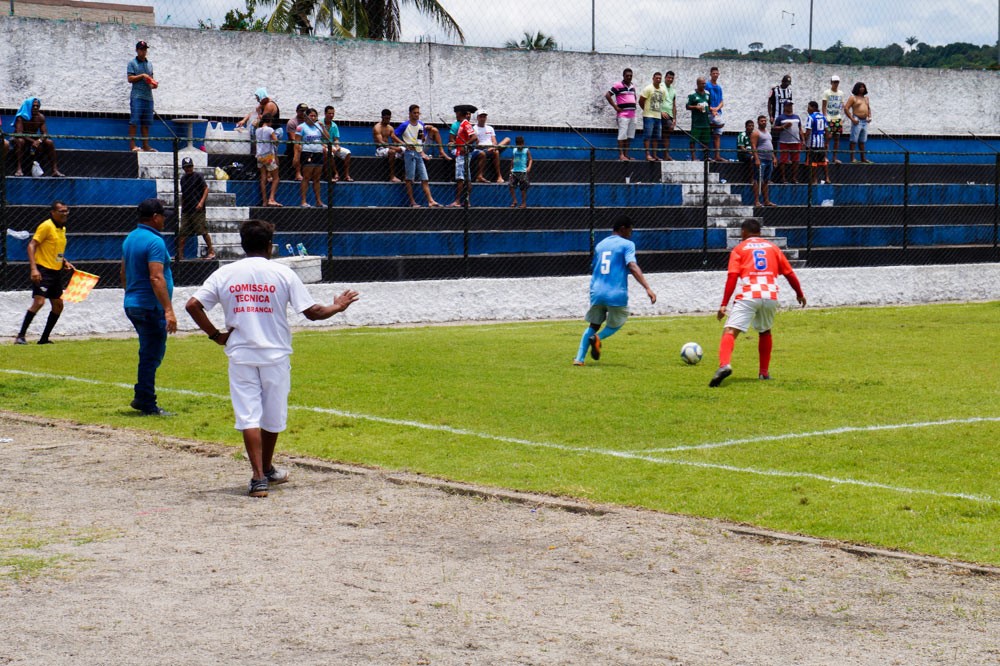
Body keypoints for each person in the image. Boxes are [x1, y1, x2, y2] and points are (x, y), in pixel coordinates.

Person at [185, 219, 359, 498]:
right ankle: (264, 470)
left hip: (241, 354)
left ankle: (259, 477)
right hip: (275, 354)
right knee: (273, 416)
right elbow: (312, 312)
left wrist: (216, 335)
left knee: (248, 415)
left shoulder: (225, 273)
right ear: (269, 245)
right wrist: (337, 306)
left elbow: (193, 305)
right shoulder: (283, 273)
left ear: (242, 245)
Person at [710, 218, 806, 387]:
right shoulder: (773, 248)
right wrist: (799, 293)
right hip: (770, 295)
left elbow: (732, 277)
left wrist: (724, 304)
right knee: (765, 331)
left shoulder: (739, 249)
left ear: (743, 232)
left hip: (750, 294)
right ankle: (764, 373)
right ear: (759, 232)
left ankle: (724, 365)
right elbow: (789, 273)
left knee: (730, 330)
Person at [573, 215, 657, 366]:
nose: (630, 234)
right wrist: (647, 287)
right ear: (623, 229)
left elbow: (595, 268)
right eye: (630, 230)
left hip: (596, 292)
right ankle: (598, 338)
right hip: (615, 293)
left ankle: (579, 359)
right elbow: (632, 266)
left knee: (594, 325)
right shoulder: (627, 244)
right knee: (617, 322)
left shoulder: (600, 245)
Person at [121, 198, 177, 416]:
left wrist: (130, 295)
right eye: (162, 216)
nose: (164, 220)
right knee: (151, 353)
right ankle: (145, 400)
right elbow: (156, 277)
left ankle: (142, 395)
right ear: (155, 217)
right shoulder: (155, 241)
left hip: (134, 303)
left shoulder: (130, 238)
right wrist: (168, 310)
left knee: (149, 350)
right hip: (149, 306)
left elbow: (123, 272)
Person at [14, 201, 75, 345]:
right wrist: (34, 269)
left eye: (66, 211)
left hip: (55, 272)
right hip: (43, 271)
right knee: (39, 302)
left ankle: (44, 339)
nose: (65, 213)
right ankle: (20, 336)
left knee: (58, 305)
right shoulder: (46, 226)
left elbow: (55, 249)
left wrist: (64, 261)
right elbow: (31, 245)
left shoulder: (62, 228)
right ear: (53, 212)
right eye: (61, 211)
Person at [391, 104, 441, 208]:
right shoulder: (405, 125)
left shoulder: (421, 124)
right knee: (409, 178)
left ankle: (430, 200)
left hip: (418, 152)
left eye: (418, 113)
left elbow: (421, 138)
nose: (416, 115)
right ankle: (412, 202)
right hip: (410, 153)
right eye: (414, 113)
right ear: (410, 114)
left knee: (424, 177)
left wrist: (423, 139)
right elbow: (393, 135)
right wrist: (404, 144)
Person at [11, 98, 64, 177]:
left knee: (49, 142)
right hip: (20, 138)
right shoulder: (21, 117)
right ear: (28, 106)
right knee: (20, 141)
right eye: (33, 106)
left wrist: (39, 141)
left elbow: (45, 133)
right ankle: (19, 169)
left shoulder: (41, 117)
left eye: (37, 106)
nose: (35, 107)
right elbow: (19, 133)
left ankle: (54, 170)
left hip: (34, 138)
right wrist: (33, 141)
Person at [176, 157, 215, 261]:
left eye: (190, 166)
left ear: (192, 166)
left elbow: (206, 189)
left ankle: (211, 251)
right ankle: (180, 255)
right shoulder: (183, 179)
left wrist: (201, 203)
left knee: (202, 230)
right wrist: (182, 207)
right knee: (182, 233)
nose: (188, 169)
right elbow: (184, 194)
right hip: (186, 209)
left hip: (197, 209)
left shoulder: (198, 176)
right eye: (186, 167)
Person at [127, 40, 157, 153]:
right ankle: (133, 145)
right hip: (137, 96)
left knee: (146, 123)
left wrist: (153, 84)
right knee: (134, 121)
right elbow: (130, 79)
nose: (143, 52)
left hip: (148, 97)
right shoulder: (132, 63)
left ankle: (145, 145)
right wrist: (142, 75)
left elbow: (151, 79)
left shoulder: (149, 64)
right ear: (137, 50)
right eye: (141, 49)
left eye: (145, 49)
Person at [448, 104, 478, 208]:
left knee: (460, 178)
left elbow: (474, 137)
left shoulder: (465, 124)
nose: (456, 115)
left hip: (462, 155)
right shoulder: (463, 124)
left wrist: (465, 145)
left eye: (456, 113)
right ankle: (466, 201)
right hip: (462, 153)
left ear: (460, 113)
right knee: (467, 178)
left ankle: (457, 201)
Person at [605, 68, 638, 161]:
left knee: (629, 136)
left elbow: (634, 98)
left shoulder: (633, 86)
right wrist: (615, 107)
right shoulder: (618, 85)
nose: (629, 77)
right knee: (622, 135)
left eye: (630, 76)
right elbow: (607, 95)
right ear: (623, 76)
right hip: (623, 115)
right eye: (627, 76)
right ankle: (621, 155)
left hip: (632, 115)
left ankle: (626, 155)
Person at [237, 88, 280, 157]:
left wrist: (258, 114)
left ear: (261, 97)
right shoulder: (263, 103)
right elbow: (253, 113)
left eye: (257, 98)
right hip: (266, 130)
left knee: (272, 152)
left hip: (274, 130)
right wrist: (244, 120)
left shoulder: (269, 105)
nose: (257, 100)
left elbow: (263, 119)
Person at [296, 108, 326, 208]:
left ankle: (318, 201)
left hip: (318, 153)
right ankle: (303, 201)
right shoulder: (301, 127)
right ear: (306, 117)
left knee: (317, 179)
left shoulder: (318, 127)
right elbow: (297, 142)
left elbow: (327, 137)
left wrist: (323, 127)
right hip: (307, 153)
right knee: (306, 178)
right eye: (311, 116)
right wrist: (296, 156)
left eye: (315, 116)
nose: (313, 118)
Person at [472, 110, 510, 183]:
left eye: (484, 117)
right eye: (481, 117)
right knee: (496, 152)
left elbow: (494, 141)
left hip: (492, 147)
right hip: (482, 148)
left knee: (507, 139)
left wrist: (493, 147)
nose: (483, 118)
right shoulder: (474, 128)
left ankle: (494, 149)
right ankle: (499, 176)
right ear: (478, 118)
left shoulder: (490, 128)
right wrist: (486, 148)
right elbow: (477, 143)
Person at [638, 72, 668, 161]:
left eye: (660, 78)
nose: (658, 80)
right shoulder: (648, 88)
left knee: (656, 137)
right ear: (653, 78)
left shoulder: (663, 90)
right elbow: (641, 101)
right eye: (656, 78)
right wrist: (646, 110)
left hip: (658, 117)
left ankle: (655, 155)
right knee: (647, 136)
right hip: (648, 116)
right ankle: (647, 155)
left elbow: (662, 102)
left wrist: (661, 112)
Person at [255, 115, 282, 207]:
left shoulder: (257, 130)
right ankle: (271, 198)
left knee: (263, 178)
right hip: (268, 155)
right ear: (270, 121)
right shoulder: (270, 130)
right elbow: (276, 141)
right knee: (276, 178)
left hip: (259, 155)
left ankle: (264, 201)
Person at [321, 105, 352, 182]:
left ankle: (346, 175)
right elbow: (317, 138)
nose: (331, 115)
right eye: (329, 113)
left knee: (347, 153)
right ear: (325, 113)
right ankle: (334, 173)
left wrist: (337, 146)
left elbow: (336, 139)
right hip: (321, 146)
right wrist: (326, 146)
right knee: (329, 153)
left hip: (332, 145)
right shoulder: (319, 123)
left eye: (333, 113)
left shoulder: (334, 125)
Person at [767, 74, 793, 169]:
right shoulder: (774, 90)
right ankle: (773, 157)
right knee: (774, 139)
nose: (787, 85)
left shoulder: (789, 91)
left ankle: (786, 158)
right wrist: (771, 116)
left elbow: (790, 105)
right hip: (776, 118)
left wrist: (791, 117)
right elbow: (769, 103)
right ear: (782, 81)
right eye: (786, 83)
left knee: (787, 139)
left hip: (786, 119)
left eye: (788, 83)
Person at [775, 100, 803, 184]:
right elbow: (775, 128)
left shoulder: (797, 117)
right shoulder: (780, 117)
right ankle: (783, 178)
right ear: (784, 107)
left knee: (796, 160)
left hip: (796, 142)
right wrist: (784, 126)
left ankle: (794, 178)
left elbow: (800, 129)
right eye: (788, 105)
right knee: (783, 160)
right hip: (784, 142)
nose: (790, 107)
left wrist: (803, 140)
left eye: (791, 105)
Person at [750, 115, 776, 207]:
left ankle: (766, 201)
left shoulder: (768, 132)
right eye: (762, 121)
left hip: (769, 159)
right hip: (761, 159)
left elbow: (770, 145)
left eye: (765, 121)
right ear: (758, 122)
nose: (764, 122)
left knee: (766, 181)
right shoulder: (756, 133)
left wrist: (774, 157)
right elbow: (753, 146)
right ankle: (757, 201)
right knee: (757, 180)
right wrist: (757, 159)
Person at [845, 82, 873, 163]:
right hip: (857, 120)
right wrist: (852, 119)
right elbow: (846, 108)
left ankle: (863, 158)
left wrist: (869, 116)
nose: (862, 89)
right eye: (860, 87)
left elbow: (868, 108)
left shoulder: (866, 98)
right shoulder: (853, 98)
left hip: (865, 121)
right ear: (857, 88)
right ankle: (852, 158)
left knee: (862, 141)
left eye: (863, 87)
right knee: (854, 140)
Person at [372, 109, 402, 182]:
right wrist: (394, 148)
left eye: (389, 118)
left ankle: (406, 177)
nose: (388, 120)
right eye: (386, 118)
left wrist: (404, 145)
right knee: (392, 152)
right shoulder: (377, 128)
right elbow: (381, 142)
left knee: (405, 151)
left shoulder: (390, 128)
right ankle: (392, 176)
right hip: (380, 149)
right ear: (382, 117)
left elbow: (394, 138)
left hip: (388, 148)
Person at [805, 101, 831, 185]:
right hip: (821, 143)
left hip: (813, 143)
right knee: (823, 160)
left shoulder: (811, 117)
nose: (807, 110)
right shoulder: (823, 117)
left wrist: (804, 141)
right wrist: (826, 142)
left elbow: (808, 131)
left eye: (809, 108)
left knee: (813, 162)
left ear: (813, 108)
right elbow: (827, 130)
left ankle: (815, 179)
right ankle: (827, 178)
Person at [686, 77, 711, 161]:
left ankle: (706, 157)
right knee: (693, 140)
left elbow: (709, 105)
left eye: (705, 83)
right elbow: (687, 106)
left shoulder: (707, 93)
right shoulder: (692, 94)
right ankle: (693, 157)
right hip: (696, 123)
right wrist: (696, 107)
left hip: (706, 122)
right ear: (697, 84)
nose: (704, 85)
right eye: (702, 83)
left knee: (706, 141)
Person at [821, 75, 845, 164]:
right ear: (831, 82)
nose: (836, 84)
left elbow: (842, 105)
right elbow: (824, 106)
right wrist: (825, 117)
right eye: (834, 82)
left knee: (837, 139)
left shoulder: (841, 93)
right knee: (828, 138)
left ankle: (834, 158)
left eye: (837, 82)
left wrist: (842, 116)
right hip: (829, 118)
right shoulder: (827, 92)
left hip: (837, 118)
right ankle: (825, 157)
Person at [705, 66, 727, 162]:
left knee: (717, 134)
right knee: (708, 133)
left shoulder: (719, 87)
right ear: (710, 74)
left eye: (716, 73)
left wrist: (716, 109)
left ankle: (717, 156)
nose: (715, 75)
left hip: (717, 113)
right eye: (713, 73)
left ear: (718, 74)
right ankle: (706, 156)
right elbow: (704, 99)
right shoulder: (707, 85)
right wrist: (711, 109)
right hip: (709, 113)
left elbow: (722, 102)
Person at [508, 136, 532, 208]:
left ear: (523, 143)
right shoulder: (515, 150)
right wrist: (511, 168)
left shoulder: (526, 150)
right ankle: (514, 200)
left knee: (523, 188)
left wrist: (529, 167)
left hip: (523, 171)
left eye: (521, 144)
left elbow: (530, 159)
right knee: (511, 185)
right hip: (515, 171)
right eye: (518, 144)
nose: (520, 145)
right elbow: (513, 159)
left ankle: (523, 203)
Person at [287, 103, 309, 182]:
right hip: (295, 144)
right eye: (302, 111)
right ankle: (298, 172)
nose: (304, 113)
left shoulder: (310, 122)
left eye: (305, 111)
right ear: (297, 111)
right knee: (298, 148)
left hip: (307, 143)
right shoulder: (292, 122)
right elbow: (293, 138)